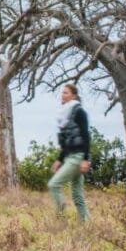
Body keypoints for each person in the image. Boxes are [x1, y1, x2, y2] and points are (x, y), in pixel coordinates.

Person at [47, 83, 91, 223]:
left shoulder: (79, 112)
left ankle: (61, 220)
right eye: (62, 92)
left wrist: (85, 159)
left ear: (73, 95)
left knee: (54, 185)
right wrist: (59, 160)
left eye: (66, 93)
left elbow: (85, 136)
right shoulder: (66, 114)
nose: (62, 95)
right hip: (70, 156)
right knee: (78, 195)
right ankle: (87, 224)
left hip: (77, 157)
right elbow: (66, 141)